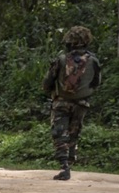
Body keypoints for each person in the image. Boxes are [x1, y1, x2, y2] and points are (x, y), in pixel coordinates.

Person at [41, 26, 102, 181]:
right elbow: (96, 83)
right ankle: (69, 163)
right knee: (74, 133)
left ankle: (64, 166)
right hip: (81, 103)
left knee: (59, 133)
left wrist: (51, 92)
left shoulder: (61, 59)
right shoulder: (93, 60)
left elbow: (48, 81)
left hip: (61, 102)